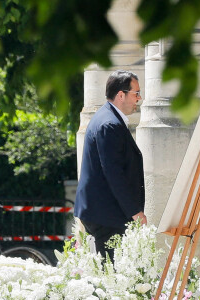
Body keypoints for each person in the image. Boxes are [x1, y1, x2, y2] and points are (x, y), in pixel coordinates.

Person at [74, 70, 147, 261]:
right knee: (114, 277)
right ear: (121, 95)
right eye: (136, 93)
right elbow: (114, 174)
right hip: (107, 215)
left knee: (114, 276)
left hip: (104, 212)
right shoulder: (109, 124)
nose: (139, 99)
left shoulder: (107, 118)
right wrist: (135, 212)